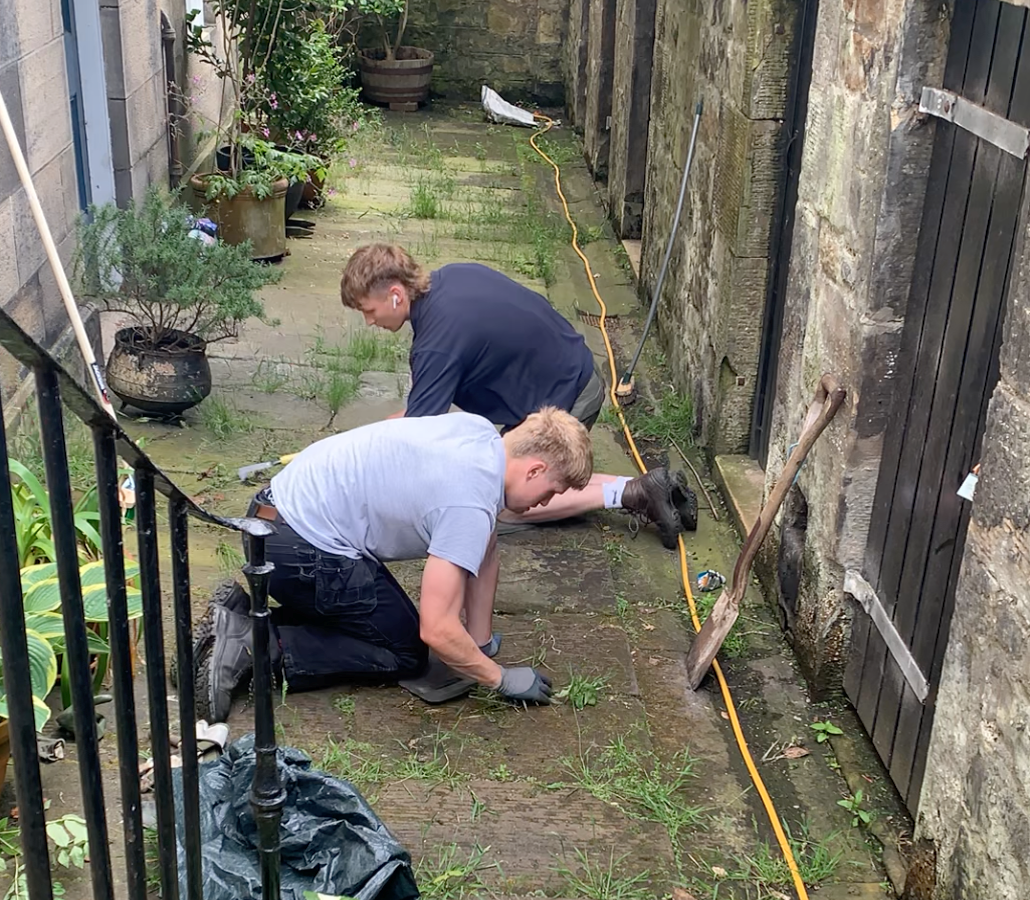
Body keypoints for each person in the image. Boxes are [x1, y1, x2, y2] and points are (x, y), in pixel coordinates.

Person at [200, 407, 594, 724]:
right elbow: (437, 629)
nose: (545, 504)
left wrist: (479, 642)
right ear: (535, 470)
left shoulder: (480, 435)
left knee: (384, 622)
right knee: (404, 653)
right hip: (299, 549)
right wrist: (499, 679)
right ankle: (253, 641)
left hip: (270, 518)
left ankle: (241, 606)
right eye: (550, 492)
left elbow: (485, 547)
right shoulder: (468, 503)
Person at [338, 244, 697, 549]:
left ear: (396, 294)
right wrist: (369, 440)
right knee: (494, 475)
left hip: (565, 401)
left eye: (369, 311)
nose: (370, 321)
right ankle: (647, 487)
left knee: (498, 502)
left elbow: (418, 438)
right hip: (569, 370)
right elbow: (420, 416)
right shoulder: (452, 277)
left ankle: (634, 493)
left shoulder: (436, 345)